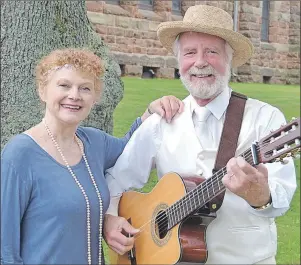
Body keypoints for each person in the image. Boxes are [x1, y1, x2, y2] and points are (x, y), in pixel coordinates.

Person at [104, 5, 297, 265]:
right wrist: (110, 219)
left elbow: (281, 196)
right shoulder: (162, 121)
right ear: (179, 61)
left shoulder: (265, 118)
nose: (200, 62)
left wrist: (260, 195)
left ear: (229, 60)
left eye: (212, 52)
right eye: (190, 52)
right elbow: (116, 180)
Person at [0, 48, 184, 265]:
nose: (74, 95)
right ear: (42, 90)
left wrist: (152, 111)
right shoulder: (20, 154)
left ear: (95, 97)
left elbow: (129, 147)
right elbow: (5, 249)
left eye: (85, 88)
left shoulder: (94, 143)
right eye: (64, 85)